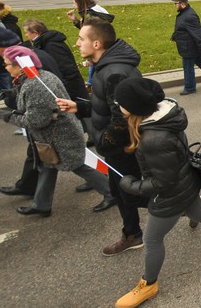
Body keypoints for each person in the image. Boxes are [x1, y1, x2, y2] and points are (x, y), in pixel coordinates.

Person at [114, 77, 201, 308]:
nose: (117, 105)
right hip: (185, 184)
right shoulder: (162, 119)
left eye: (120, 102)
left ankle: (149, 284)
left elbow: (163, 182)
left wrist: (131, 185)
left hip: (171, 195)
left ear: (134, 107)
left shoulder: (153, 138)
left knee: (152, 239)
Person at [56, 19, 149, 254]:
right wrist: (79, 107)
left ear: (96, 43)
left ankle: (183, 205)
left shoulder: (114, 72)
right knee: (123, 191)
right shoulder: (105, 67)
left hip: (121, 146)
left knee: (132, 191)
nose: (77, 44)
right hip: (116, 145)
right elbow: (107, 106)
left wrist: (105, 142)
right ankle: (133, 234)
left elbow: (122, 119)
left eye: (81, 39)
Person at [0, 46, 111, 217]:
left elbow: (35, 121)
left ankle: (111, 193)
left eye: (7, 64)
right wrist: (12, 94)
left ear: (20, 66)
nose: (4, 68)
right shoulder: (37, 77)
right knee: (48, 167)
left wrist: (9, 117)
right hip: (55, 137)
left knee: (79, 165)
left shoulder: (36, 85)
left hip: (61, 137)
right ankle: (41, 204)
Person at [22, 19, 88, 102]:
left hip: (70, 89)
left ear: (35, 32)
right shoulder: (46, 42)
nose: (26, 35)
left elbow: (66, 68)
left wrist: (65, 90)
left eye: (26, 32)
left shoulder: (52, 45)